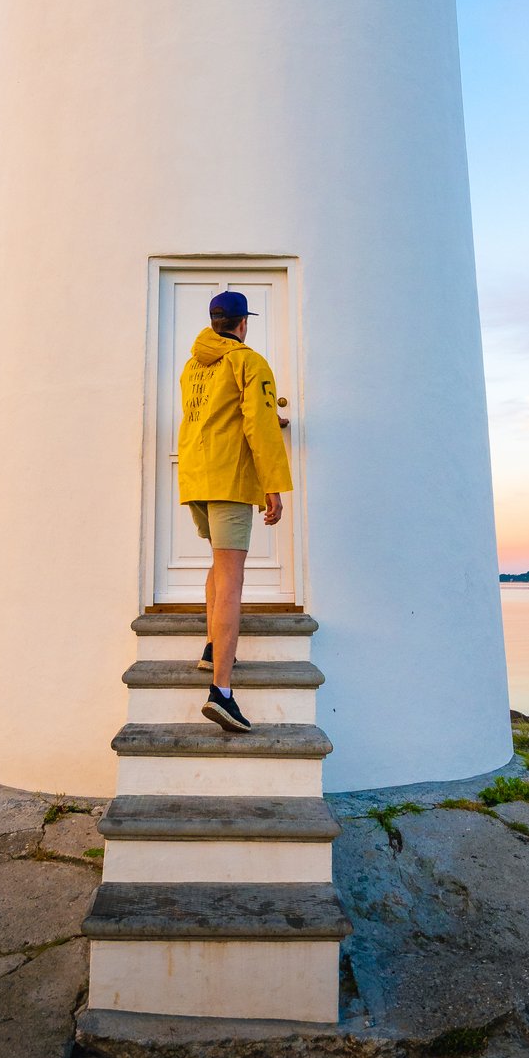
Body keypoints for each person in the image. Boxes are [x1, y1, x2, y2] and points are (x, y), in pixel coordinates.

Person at [177, 289, 292, 732]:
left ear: (214, 322)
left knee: (217, 565)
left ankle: (212, 648)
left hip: (197, 477)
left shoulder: (194, 364)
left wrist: (270, 417)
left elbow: (214, 414)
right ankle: (221, 693)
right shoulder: (249, 362)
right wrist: (274, 487)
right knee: (231, 581)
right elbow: (257, 427)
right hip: (228, 480)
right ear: (243, 324)